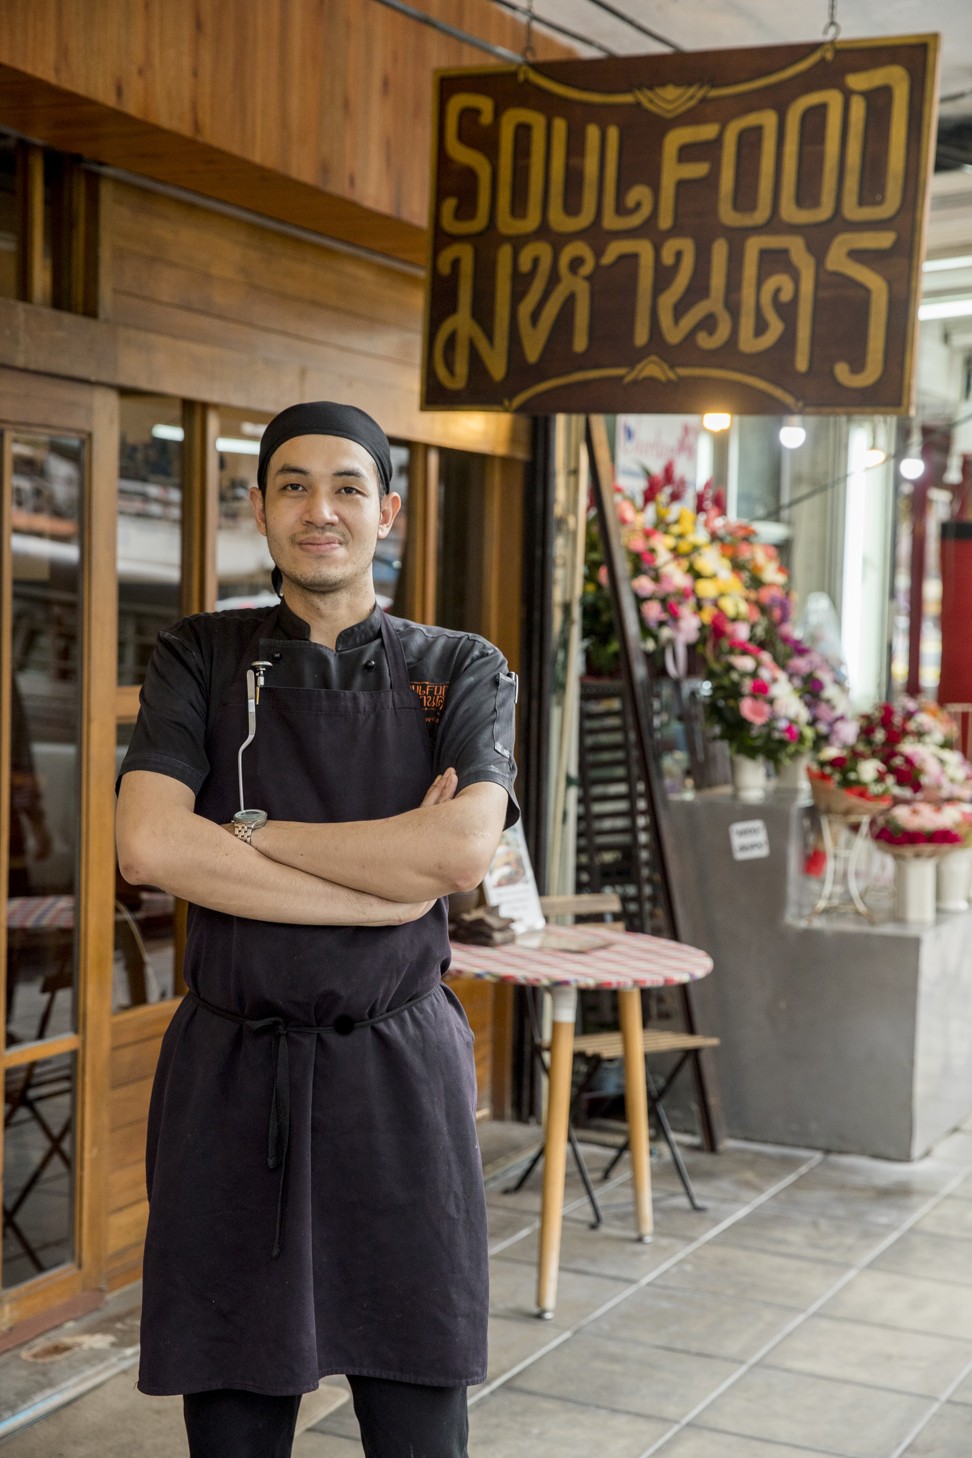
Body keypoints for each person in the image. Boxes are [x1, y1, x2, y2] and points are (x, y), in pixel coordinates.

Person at [115, 401, 519, 1458]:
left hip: (398, 1076)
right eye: (292, 485)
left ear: (388, 509)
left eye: (347, 486)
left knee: (417, 1416)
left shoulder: (460, 668)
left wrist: (243, 833)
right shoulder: (197, 655)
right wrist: (382, 888)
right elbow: (153, 848)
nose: (320, 510)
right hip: (233, 1074)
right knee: (235, 1418)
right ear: (259, 509)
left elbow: (457, 855)